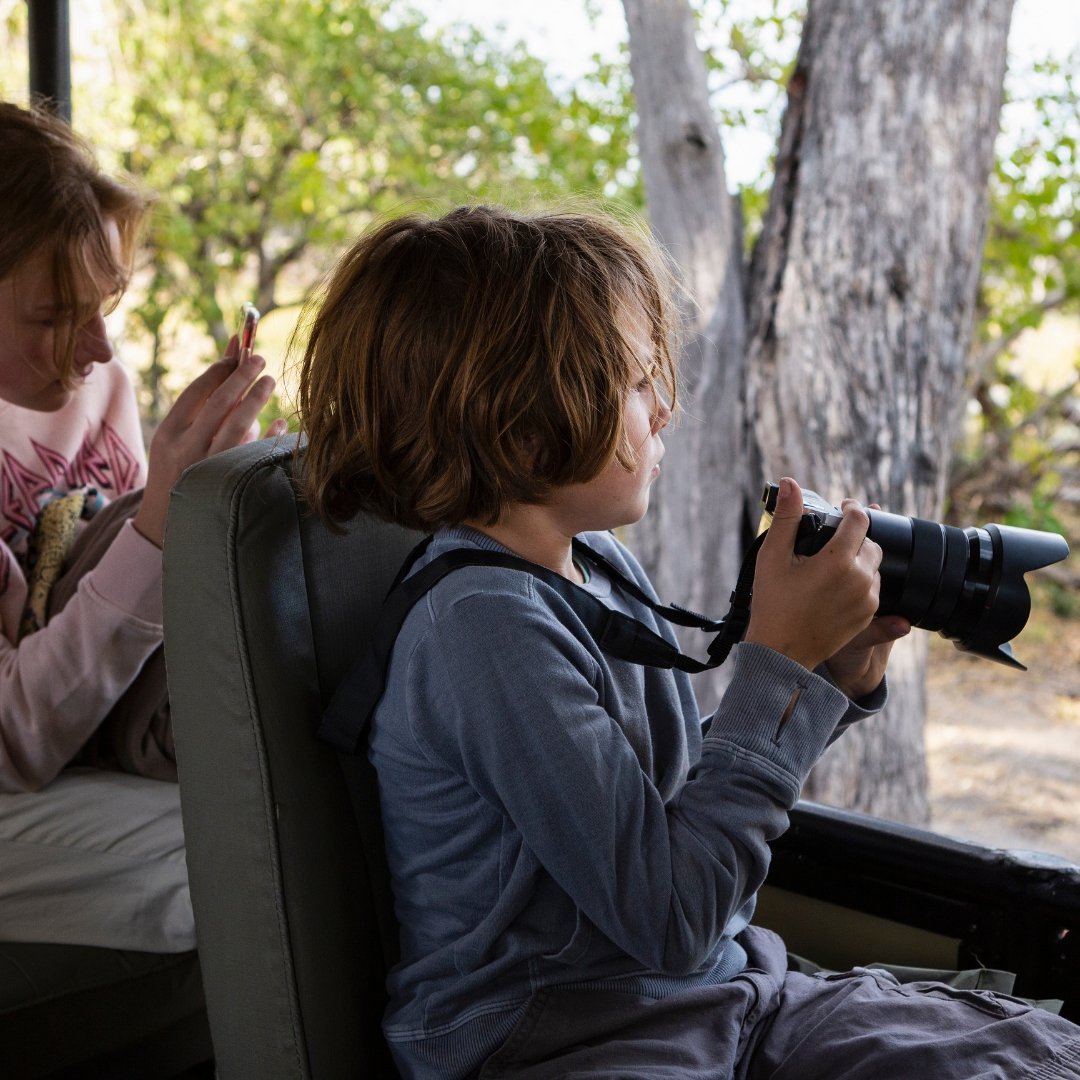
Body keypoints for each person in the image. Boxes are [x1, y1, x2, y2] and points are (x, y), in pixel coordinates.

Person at [297, 205, 1080, 1080]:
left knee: (1026, 1055)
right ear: (518, 424)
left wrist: (829, 674)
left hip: (708, 993)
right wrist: (775, 670)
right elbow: (669, 917)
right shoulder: (482, 627)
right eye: (636, 384)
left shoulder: (594, 562)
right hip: (556, 1034)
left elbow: (668, 820)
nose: (665, 405)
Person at [0, 100, 284, 951]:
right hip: (22, 761)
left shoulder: (93, 387)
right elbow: (14, 742)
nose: (95, 351)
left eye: (102, 308)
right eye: (51, 318)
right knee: (267, 861)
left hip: (97, 736)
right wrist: (160, 526)